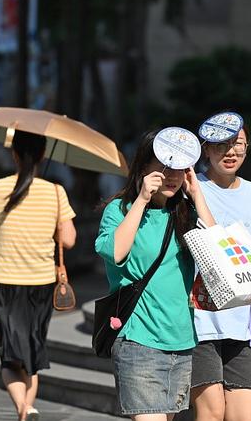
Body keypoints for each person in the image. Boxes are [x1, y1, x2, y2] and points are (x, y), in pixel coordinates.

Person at [94, 129, 215, 421]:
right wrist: (142, 200)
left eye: (180, 168)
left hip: (181, 340)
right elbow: (116, 252)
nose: (172, 175)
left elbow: (216, 253)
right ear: (144, 167)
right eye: (164, 166)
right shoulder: (119, 209)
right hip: (138, 341)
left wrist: (197, 196)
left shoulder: (185, 213)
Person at [0, 130, 76, 421]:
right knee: (31, 351)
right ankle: (26, 409)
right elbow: (68, 240)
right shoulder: (56, 192)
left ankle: (23, 409)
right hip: (42, 284)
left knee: (9, 354)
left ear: (14, 154)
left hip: (3, 282)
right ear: (43, 155)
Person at [190, 122, 251, 421]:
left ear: (247, 147)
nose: (230, 152)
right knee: (212, 412)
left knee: (245, 414)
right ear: (205, 149)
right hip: (200, 319)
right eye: (220, 145)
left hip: (242, 322)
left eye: (238, 144)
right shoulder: (191, 188)